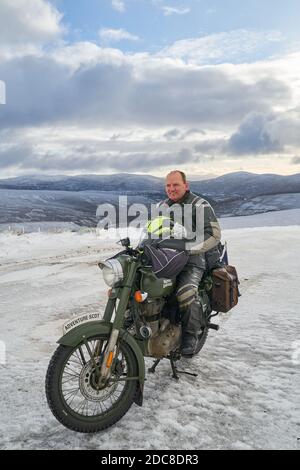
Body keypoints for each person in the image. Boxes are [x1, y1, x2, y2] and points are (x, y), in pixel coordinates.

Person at [156, 170, 221, 356]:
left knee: (186, 292)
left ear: (186, 185)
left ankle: (191, 336)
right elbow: (151, 232)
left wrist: (190, 248)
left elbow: (214, 234)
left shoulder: (200, 205)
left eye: (175, 185)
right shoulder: (162, 206)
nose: (171, 189)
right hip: (165, 259)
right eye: (168, 185)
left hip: (193, 260)